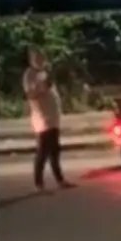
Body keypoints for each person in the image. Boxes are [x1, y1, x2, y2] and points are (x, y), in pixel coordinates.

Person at [22, 48, 72, 193]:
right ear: (31, 59)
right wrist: (42, 87)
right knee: (43, 151)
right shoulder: (29, 75)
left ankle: (60, 180)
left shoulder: (44, 72)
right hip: (42, 119)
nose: (40, 60)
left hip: (53, 118)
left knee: (55, 150)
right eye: (37, 58)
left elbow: (51, 90)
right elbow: (30, 94)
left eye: (42, 57)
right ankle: (39, 183)